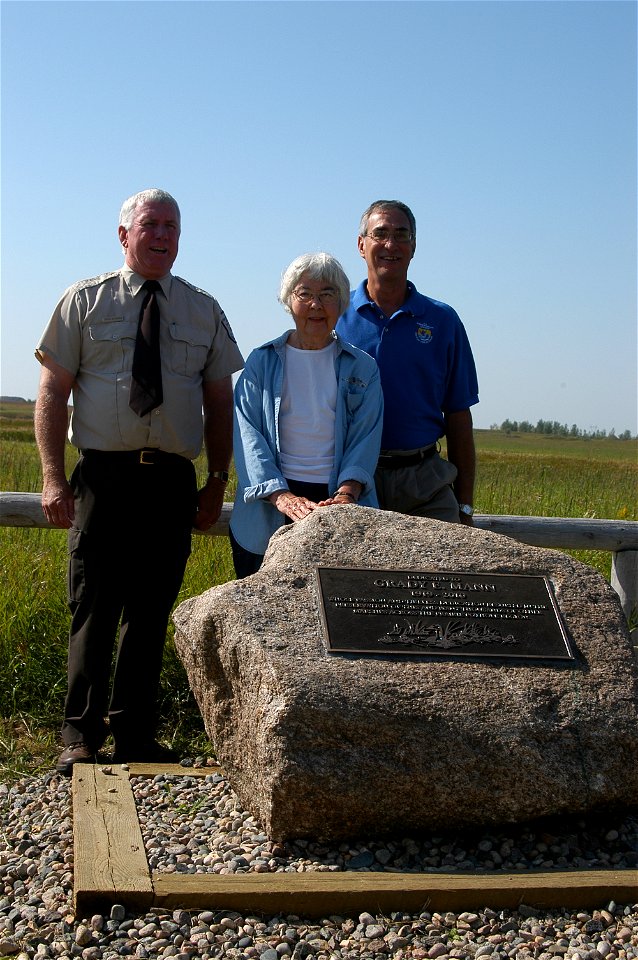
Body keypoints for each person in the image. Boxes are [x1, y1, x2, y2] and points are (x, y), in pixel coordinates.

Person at [34, 188, 244, 775]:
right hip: (103, 478)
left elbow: (218, 401)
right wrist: (54, 479)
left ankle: (135, 736)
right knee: (93, 608)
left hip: (172, 481)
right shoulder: (84, 301)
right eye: (150, 224)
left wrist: (217, 478)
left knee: (151, 612)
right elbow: (52, 393)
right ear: (123, 234)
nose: (162, 235)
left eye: (172, 226)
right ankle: (79, 736)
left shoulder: (203, 310)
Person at [230, 252, 383, 578]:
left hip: (339, 505)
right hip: (270, 506)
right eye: (305, 294)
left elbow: (366, 436)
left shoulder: (363, 368)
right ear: (289, 300)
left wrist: (346, 494)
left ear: (342, 303)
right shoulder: (261, 362)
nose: (316, 304)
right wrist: (280, 495)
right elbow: (248, 435)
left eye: (328, 294)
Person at [336, 200, 479, 525]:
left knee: (445, 572)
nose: (391, 245)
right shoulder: (335, 317)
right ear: (361, 245)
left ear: (413, 247)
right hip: (350, 479)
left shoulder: (443, 321)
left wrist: (465, 505)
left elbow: (459, 417)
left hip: (425, 482)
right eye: (380, 234)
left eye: (402, 235)